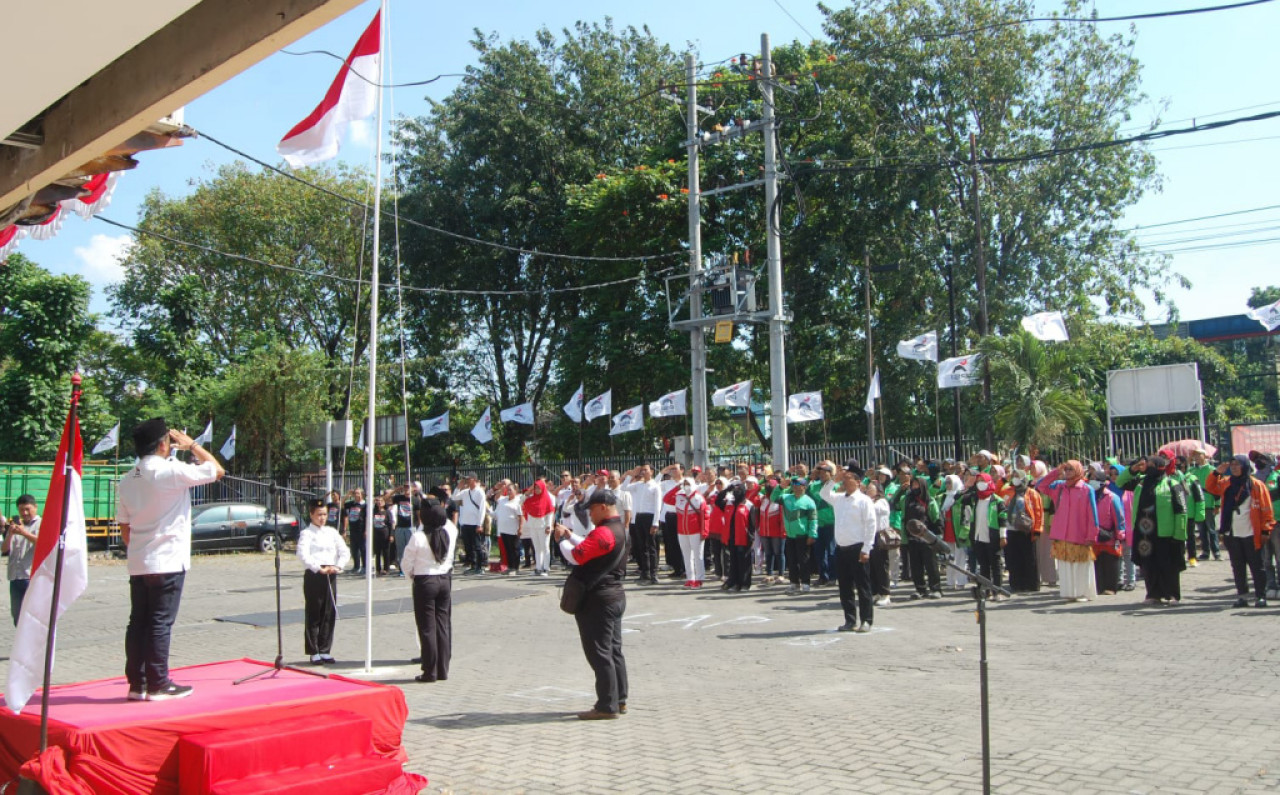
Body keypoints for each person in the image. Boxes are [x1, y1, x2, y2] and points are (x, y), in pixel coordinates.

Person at [117, 419, 224, 701]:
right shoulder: (170, 471)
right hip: (167, 560)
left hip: (140, 560)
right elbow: (217, 470)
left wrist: (140, 549)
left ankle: (137, 684)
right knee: (159, 622)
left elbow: (125, 527)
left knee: (138, 622)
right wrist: (193, 445)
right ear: (163, 444)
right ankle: (158, 683)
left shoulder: (127, 479)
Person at [554, 489, 629, 720]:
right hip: (614, 596)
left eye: (592, 510)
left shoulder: (604, 532)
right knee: (613, 650)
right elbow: (591, 545)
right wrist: (571, 535)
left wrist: (561, 541)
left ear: (603, 507)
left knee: (599, 653)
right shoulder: (620, 529)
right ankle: (619, 699)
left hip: (598, 599)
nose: (590, 515)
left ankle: (606, 706)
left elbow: (577, 555)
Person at [1116, 455, 1189, 606]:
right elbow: (1120, 482)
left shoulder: (1172, 484)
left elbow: (1181, 510)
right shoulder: (1141, 482)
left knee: (1168, 565)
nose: (1147, 467)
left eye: (1150, 465)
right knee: (1148, 564)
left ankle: (1172, 594)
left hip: (1166, 533)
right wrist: (1133, 469)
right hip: (1144, 534)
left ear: (1159, 467)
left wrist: (1179, 534)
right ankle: (1153, 594)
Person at [1204, 455, 1275, 608]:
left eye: (1237, 464)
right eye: (1232, 465)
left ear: (1245, 466)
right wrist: (1216, 473)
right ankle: (1242, 596)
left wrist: (1265, 530)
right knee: (1237, 567)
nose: (1234, 467)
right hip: (1232, 533)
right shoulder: (1226, 482)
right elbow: (1210, 487)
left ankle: (1260, 596)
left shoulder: (1256, 485)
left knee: (1257, 567)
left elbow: (1267, 510)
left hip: (1252, 533)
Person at [402, 498, 457, 682]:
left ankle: (430, 670)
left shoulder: (418, 536)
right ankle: (443, 669)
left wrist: (412, 576)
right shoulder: (448, 532)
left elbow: (406, 562)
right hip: (444, 579)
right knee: (443, 625)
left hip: (425, 580)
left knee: (427, 627)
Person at [822, 461, 876, 632]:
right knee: (845, 587)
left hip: (858, 548)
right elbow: (823, 493)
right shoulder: (839, 499)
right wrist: (834, 480)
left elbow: (871, 525)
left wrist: (866, 548)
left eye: (848, 479)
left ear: (858, 482)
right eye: (843, 479)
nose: (844, 481)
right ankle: (850, 620)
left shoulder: (864, 500)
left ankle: (866, 620)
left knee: (863, 586)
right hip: (841, 548)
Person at [1036, 460, 1099, 603]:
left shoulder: (1086, 489)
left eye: (1071, 469)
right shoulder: (1059, 487)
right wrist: (1056, 473)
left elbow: (1092, 514)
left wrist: (1092, 535)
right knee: (1065, 566)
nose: (1068, 472)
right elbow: (1041, 486)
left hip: (1080, 534)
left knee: (1080, 565)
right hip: (1061, 534)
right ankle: (1069, 593)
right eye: (1067, 469)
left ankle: (1082, 593)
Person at [297, 498, 350, 664]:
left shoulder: (331, 532)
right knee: (314, 612)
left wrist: (338, 566)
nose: (322, 518)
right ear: (311, 515)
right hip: (315, 574)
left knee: (329, 612)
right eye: (319, 514)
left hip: (330, 573)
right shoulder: (307, 533)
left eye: (325, 514)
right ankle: (314, 651)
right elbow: (303, 554)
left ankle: (325, 649)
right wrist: (318, 568)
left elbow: (344, 551)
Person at [893, 474, 942, 599]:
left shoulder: (929, 500)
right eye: (913, 484)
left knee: (931, 565)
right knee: (915, 566)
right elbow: (894, 504)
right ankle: (920, 589)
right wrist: (900, 490)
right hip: (911, 537)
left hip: (927, 538)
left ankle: (935, 589)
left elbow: (936, 519)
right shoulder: (907, 499)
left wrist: (936, 537)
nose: (914, 487)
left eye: (917, 485)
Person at [962, 473, 1008, 596]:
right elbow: (962, 500)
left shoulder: (997, 500)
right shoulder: (975, 499)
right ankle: (985, 591)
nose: (980, 483)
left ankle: (997, 592)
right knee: (983, 566)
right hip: (978, 537)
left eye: (983, 480)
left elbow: (1003, 519)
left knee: (996, 566)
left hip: (992, 537)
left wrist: (1003, 536)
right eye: (978, 481)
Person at [1088, 464, 1127, 595]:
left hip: (1109, 534)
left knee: (1110, 561)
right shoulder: (1090, 496)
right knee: (1097, 562)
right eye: (1091, 478)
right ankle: (1099, 586)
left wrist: (1120, 534)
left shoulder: (1111, 497)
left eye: (1095, 479)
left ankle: (1110, 587)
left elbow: (1119, 516)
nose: (1092, 481)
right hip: (1095, 534)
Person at [775, 476, 818, 594]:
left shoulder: (809, 501)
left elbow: (813, 520)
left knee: (803, 561)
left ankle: (805, 583)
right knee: (792, 561)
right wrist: (780, 487)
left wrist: (812, 534)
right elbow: (773, 497)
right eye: (794, 485)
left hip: (803, 536)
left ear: (804, 487)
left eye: (798, 485)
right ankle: (794, 583)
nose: (795, 487)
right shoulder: (786, 498)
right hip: (790, 536)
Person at [1003, 469, 1042, 593]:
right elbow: (1002, 506)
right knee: (1013, 557)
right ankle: (1016, 583)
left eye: (1018, 476)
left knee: (1029, 557)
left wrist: (1037, 530)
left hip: (1026, 529)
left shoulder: (1032, 493)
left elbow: (1038, 512)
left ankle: (1031, 584)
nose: (1015, 478)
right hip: (1011, 529)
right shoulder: (1008, 491)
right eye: (1013, 476)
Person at [623, 465, 661, 585]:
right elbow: (624, 488)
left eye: (646, 470)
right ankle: (645, 572)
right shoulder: (638, 485)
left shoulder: (655, 486)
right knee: (642, 546)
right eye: (642, 470)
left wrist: (655, 522)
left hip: (650, 517)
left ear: (652, 472)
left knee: (651, 546)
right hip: (639, 517)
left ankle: (654, 573)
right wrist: (631, 475)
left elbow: (658, 506)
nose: (643, 472)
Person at [4, 496, 39, 626]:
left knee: (33, 616)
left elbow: (43, 543)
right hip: (15, 577)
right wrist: (11, 534)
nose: (24, 513)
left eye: (27, 509)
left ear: (35, 507)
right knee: (17, 616)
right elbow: (4, 549)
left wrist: (24, 533)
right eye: (21, 510)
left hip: (31, 576)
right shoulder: (17, 525)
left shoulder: (42, 524)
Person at [717, 482, 755, 592]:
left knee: (744, 562)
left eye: (738, 489)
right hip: (731, 537)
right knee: (733, 561)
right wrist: (726, 490)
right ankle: (735, 583)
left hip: (743, 538)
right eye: (735, 489)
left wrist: (751, 538)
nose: (736, 491)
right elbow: (717, 501)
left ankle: (745, 584)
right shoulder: (729, 503)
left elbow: (752, 524)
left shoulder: (749, 505)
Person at [674, 478, 709, 589]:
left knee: (698, 556)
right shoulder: (679, 496)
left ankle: (699, 579)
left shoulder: (699, 498)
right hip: (682, 532)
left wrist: (704, 531)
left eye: (688, 484)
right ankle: (690, 578)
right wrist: (677, 487)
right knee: (686, 556)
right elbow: (666, 498)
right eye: (684, 484)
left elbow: (705, 516)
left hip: (696, 532)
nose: (686, 486)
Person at [1188, 449, 1222, 561]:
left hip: (1208, 502)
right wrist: (1188, 461)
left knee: (1211, 529)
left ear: (1205, 456)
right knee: (1202, 530)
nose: (1196, 457)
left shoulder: (1212, 470)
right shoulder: (1192, 471)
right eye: (1195, 455)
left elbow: (1217, 487)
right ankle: (1205, 552)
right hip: (1197, 504)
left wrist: (1217, 504)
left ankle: (1216, 552)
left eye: (1199, 455)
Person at [808, 463, 837, 586]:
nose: (823, 474)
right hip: (817, 523)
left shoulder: (836, 486)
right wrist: (810, 477)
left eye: (825, 472)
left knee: (831, 551)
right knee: (819, 552)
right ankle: (823, 576)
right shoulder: (813, 486)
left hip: (832, 523)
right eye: (820, 472)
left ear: (831, 473)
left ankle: (833, 576)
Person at [867, 482, 895, 605]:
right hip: (869, 536)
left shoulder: (881, 502)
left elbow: (873, 510)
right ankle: (875, 592)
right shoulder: (869, 501)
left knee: (881, 566)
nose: (868, 490)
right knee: (872, 566)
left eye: (871, 488)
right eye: (868, 488)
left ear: (878, 491)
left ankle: (885, 593)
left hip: (880, 536)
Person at [521, 479, 555, 576]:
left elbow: (550, 513)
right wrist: (528, 491)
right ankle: (538, 568)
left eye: (538, 488)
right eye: (535, 488)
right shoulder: (531, 499)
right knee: (537, 548)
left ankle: (546, 568)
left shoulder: (547, 499)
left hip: (543, 526)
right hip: (533, 526)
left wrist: (548, 526)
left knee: (545, 547)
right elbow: (521, 501)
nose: (537, 490)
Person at [494, 481, 524, 575]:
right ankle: (510, 567)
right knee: (508, 549)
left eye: (510, 490)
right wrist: (501, 489)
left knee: (514, 549)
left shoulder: (517, 502)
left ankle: (515, 567)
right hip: (504, 529)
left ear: (515, 491)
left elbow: (521, 516)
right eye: (508, 490)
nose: (509, 492)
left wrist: (520, 528)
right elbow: (496, 498)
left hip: (513, 530)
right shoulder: (503, 499)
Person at [342, 488, 367, 575]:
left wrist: (366, 530)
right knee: (354, 549)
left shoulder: (365, 505)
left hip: (361, 529)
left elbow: (367, 518)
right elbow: (341, 504)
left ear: (361, 494)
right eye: (355, 493)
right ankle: (356, 566)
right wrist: (347, 495)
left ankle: (365, 567)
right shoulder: (351, 504)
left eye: (357, 493)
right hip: (353, 529)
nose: (356, 495)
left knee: (363, 549)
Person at [371, 495, 393, 576]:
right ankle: (378, 569)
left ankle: (386, 569)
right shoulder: (373, 512)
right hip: (376, 534)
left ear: (384, 502)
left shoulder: (387, 512)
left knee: (386, 552)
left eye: (381, 501)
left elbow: (390, 524)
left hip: (385, 534)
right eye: (378, 501)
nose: (379, 502)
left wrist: (391, 535)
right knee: (377, 552)